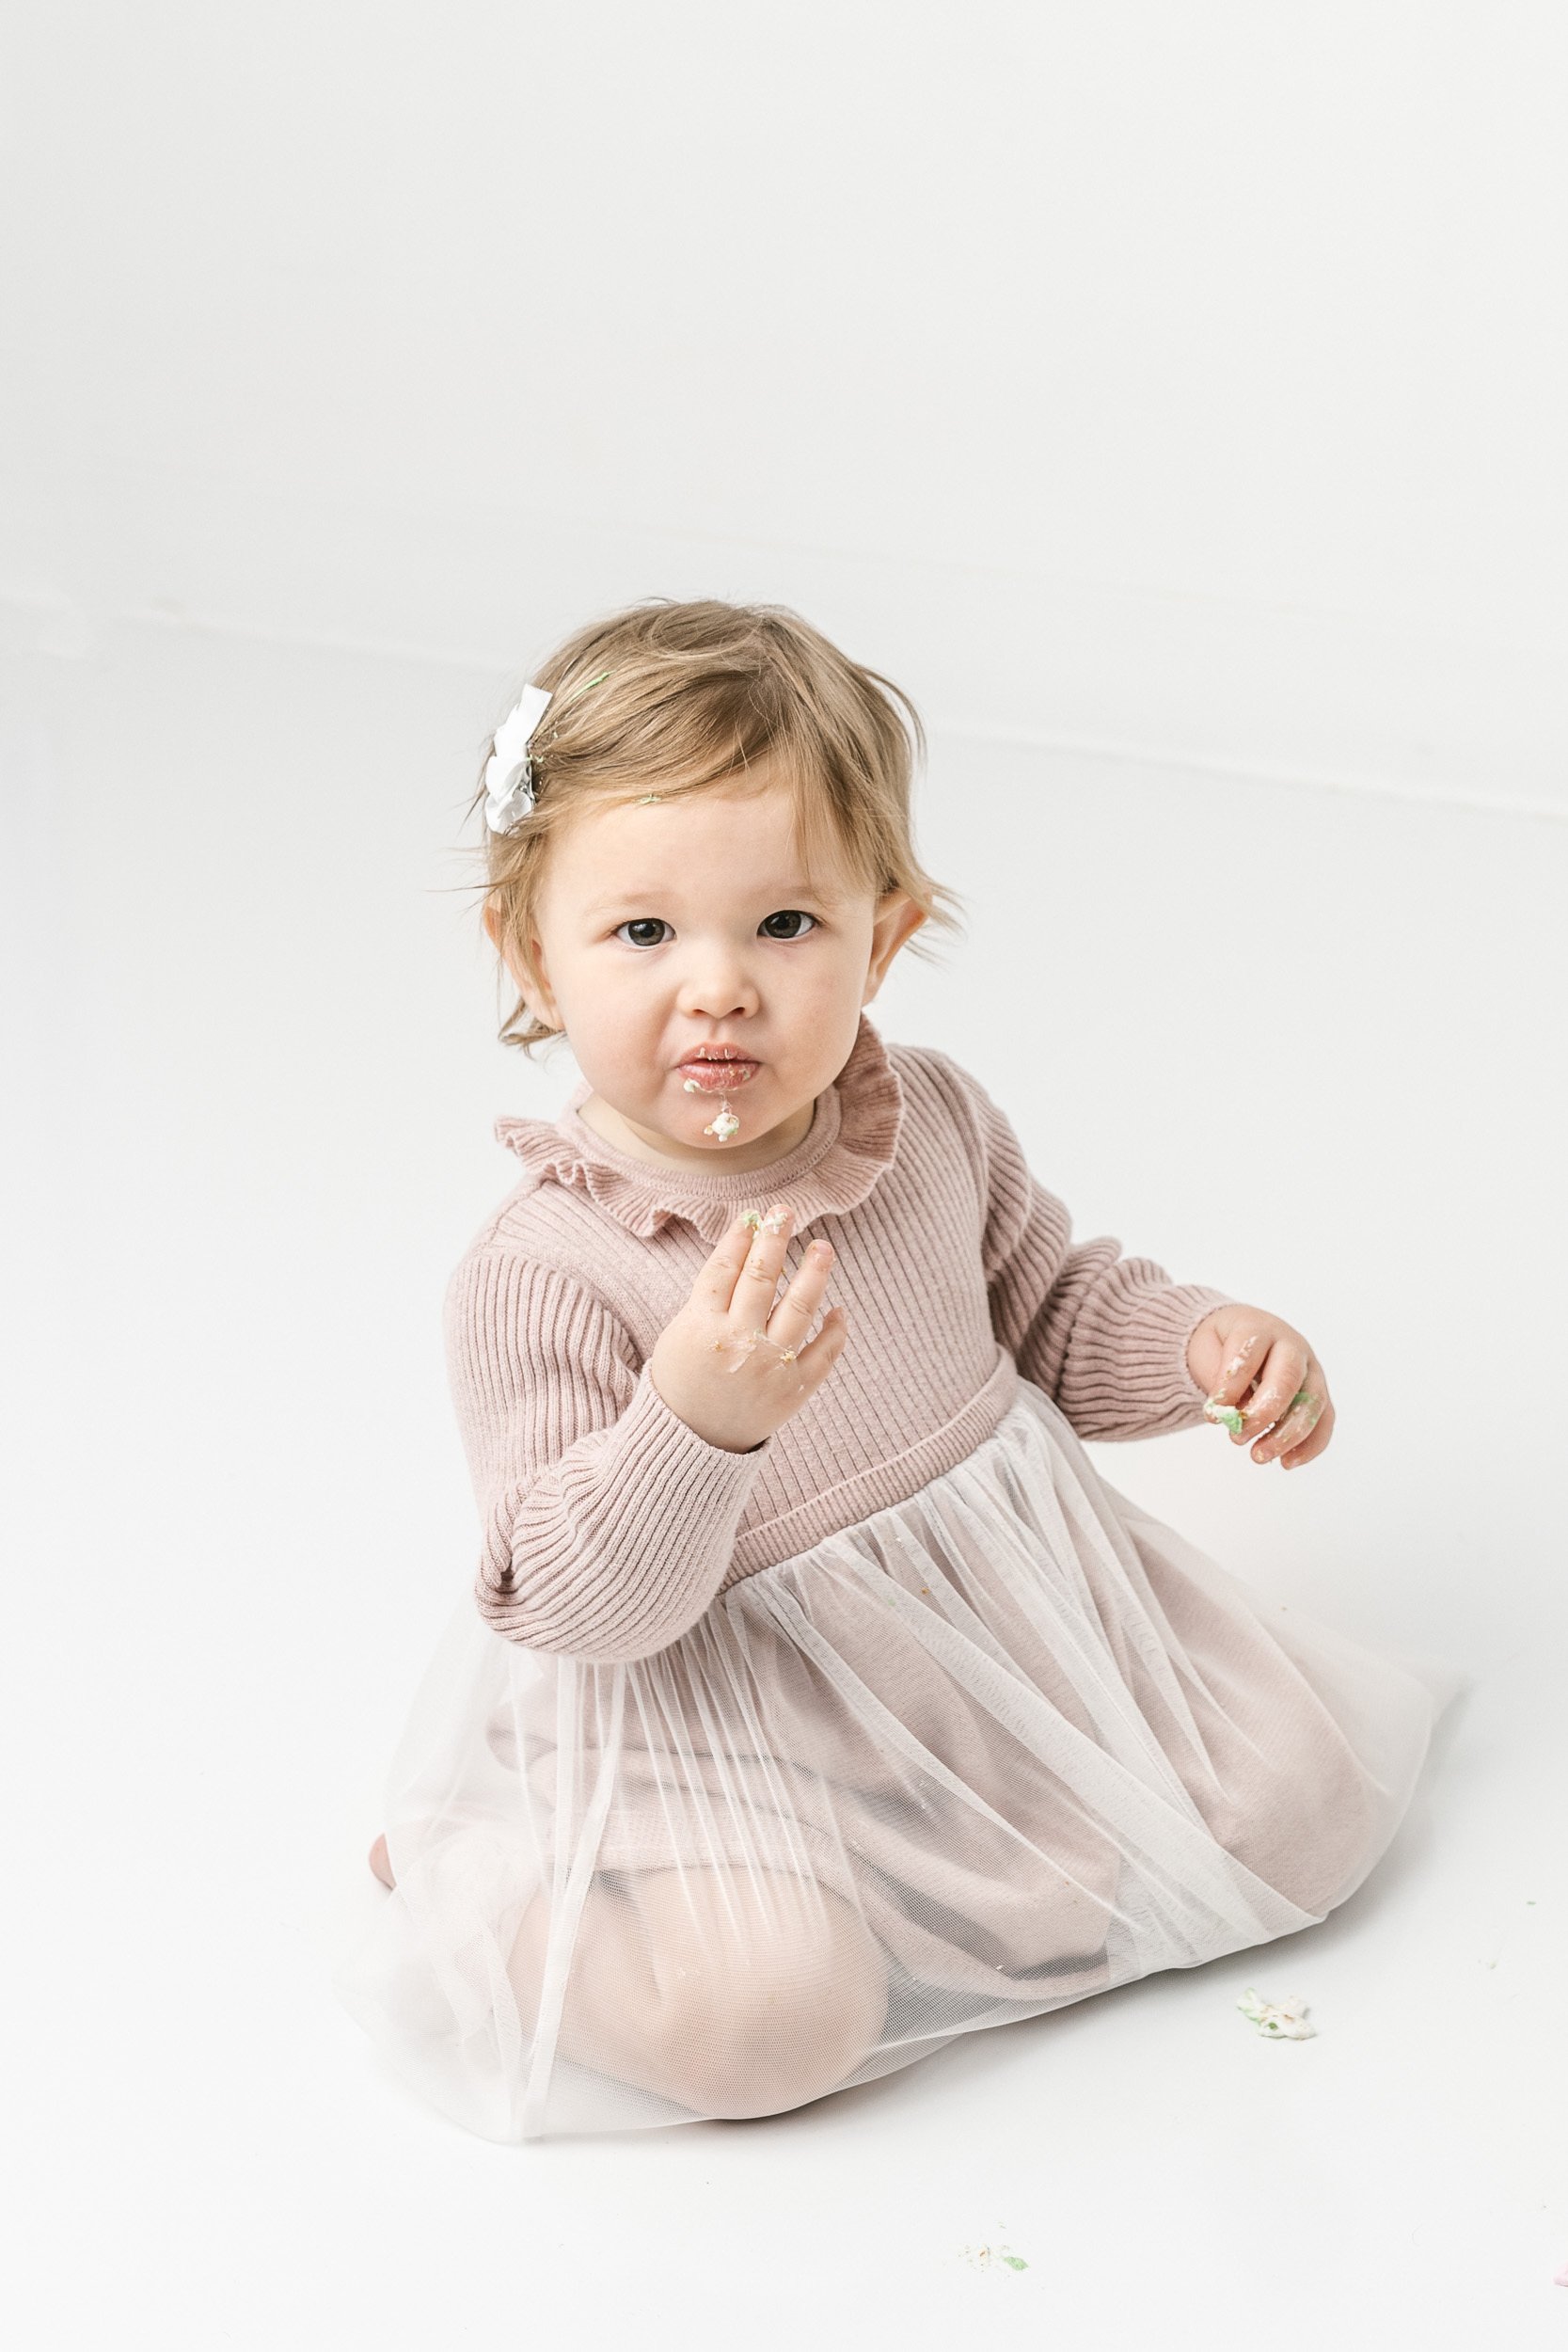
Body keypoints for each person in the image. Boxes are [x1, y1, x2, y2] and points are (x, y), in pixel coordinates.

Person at [332, 597, 1458, 2144]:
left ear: (887, 932)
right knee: (768, 2024)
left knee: (1307, 1807)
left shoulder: (923, 1124)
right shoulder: (544, 1271)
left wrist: (1198, 1344)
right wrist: (694, 1425)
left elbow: (1050, 1306)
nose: (718, 985)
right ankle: (483, 1884)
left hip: (990, 1657)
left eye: (785, 925)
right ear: (531, 948)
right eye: (643, 932)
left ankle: (974, 1879)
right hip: (731, 1710)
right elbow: (564, 1597)